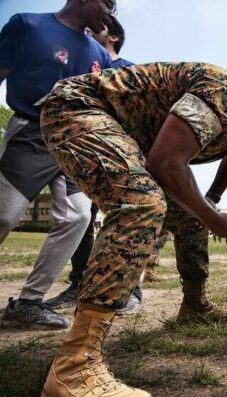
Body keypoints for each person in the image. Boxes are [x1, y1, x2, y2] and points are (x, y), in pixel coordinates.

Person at [36, 63, 227, 397]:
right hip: (78, 109)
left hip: (123, 133)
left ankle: (194, 305)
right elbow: (166, 164)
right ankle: (74, 365)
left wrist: (210, 203)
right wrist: (215, 219)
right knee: (142, 203)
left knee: (190, 211)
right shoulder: (226, 94)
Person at [0, 0, 114, 330]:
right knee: (4, 215)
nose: (110, 13)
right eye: (107, 4)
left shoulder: (99, 54)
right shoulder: (27, 25)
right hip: (31, 133)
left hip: (74, 143)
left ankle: (28, 302)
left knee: (78, 217)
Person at [44, 15, 142, 313]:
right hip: (84, 153)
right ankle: (79, 284)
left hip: (120, 157)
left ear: (112, 37)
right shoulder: (82, 66)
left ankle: (129, 290)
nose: (87, 30)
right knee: (81, 217)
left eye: (96, 27)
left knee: (126, 218)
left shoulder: (127, 69)